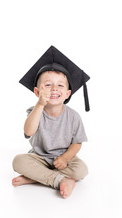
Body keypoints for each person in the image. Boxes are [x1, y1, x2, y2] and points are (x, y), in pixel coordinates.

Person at [12, 46, 90, 199]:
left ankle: (35, 177)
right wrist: (40, 105)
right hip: (39, 157)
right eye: (47, 85)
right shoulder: (35, 111)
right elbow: (28, 131)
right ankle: (58, 180)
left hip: (64, 158)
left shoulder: (73, 116)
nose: (54, 88)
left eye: (60, 85)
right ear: (37, 92)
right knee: (18, 162)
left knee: (81, 170)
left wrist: (66, 158)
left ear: (68, 93)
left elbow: (77, 143)